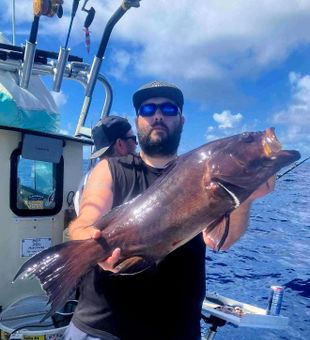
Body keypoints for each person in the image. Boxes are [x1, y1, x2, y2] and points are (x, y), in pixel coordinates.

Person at [65, 80, 274, 340]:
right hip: (103, 328)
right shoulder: (111, 169)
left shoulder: (202, 175)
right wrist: (88, 245)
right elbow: (87, 217)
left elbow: (219, 241)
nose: (159, 116)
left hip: (178, 330)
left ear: (182, 120)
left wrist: (246, 197)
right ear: (138, 119)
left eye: (169, 109)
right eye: (148, 110)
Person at [74, 115, 137, 215]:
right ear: (120, 144)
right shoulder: (127, 178)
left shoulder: (87, 179)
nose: (136, 144)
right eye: (133, 139)